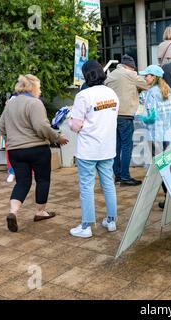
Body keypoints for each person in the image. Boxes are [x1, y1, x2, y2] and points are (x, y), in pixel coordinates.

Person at [0, 74, 68, 232]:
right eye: (39, 87)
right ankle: (40, 212)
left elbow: (1, 127)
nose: (40, 90)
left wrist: (13, 140)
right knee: (42, 180)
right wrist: (57, 138)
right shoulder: (34, 103)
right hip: (36, 149)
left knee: (22, 182)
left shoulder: (10, 104)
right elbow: (41, 127)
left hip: (15, 151)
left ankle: (13, 212)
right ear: (32, 87)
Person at [68, 60, 119, 238]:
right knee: (108, 184)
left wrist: (69, 120)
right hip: (107, 147)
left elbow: (75, 126)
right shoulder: (112, 93)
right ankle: (111, 221)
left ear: (86, 75)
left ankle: (86, 226)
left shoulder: (83, 96)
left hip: (88, 149)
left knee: (87, 187)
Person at [138, 65, 171, 209]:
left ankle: (169, 198)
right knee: (168, 167)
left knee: (161, 169)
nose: (145, 77)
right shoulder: (167, 90)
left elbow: (150, 117)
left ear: (154, 77)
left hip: (155, 136)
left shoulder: (152, 92)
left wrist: (139, 116)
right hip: (167, 134)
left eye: (147, 75)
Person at [105, 54, 149, 186]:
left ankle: (117, 175)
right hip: (125, 115)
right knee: (126, 146)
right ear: (130, 66)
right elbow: (146, 84)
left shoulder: (111, 75)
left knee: (116, 147)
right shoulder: (129, 74)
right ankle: (125, 176)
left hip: (112, 115)